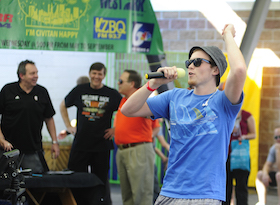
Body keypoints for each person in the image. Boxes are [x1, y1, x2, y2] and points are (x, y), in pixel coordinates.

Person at [121, 24, 247, 204]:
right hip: (169, 192)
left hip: (205, 195)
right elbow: (128, 110)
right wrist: (153, 84)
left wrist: (228, 35)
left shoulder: (223, 101)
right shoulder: (174, 97)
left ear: (215, 70)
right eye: (189, 63)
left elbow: (240, 70)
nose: (190, 67)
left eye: (197, 62)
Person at [60, 62, 122, 205]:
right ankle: (76, 202)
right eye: (94, 73)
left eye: (99, 74)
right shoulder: (79, 90)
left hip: (102, 144)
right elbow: (63, 105)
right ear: (89, 74)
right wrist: (68, 126)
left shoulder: (112, 93)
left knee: (100, 180)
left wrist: (116, 128)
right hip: (81, 143)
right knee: (75, 176)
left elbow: (125, 110)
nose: (96, 76)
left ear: (104, 75)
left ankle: (100, 202)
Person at [0, 60, 60, 173]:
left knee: (37, 184)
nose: (36, 76)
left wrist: (54, 142)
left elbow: (49, 118)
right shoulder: (8, 90)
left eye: (37, 73)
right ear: (21, 75)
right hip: (8, 150)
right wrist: (1, 140)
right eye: (32, 73)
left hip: (33, 149)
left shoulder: (42, 92)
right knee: (7, 185)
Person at [114, 70, 155, 205]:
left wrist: (144, 140)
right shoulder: (124, 100)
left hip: (138, 150)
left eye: (121, 81)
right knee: (128, 196)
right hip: (123, 150)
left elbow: (156, 125)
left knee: (142, 195)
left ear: (132, 84)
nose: (118, 84)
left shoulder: (143, 100)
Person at [224, 109, 256, 205]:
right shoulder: (227, 113)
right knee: (226, 187)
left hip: (240, 156)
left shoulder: (247, 116)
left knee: (241, 187)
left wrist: (244, 137)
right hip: (227, 155)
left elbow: (253, 134)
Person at [255, 127, 280, 205]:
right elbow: (267, 164)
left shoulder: (276, 148)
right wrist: (265, 174)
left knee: (279, 175)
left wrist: (278, 151)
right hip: (276, 175)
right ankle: (261, 202)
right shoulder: (274, 148)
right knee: (260, 174)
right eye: (276, 137)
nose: (278, 139)